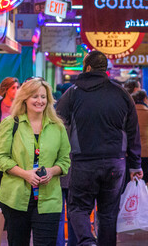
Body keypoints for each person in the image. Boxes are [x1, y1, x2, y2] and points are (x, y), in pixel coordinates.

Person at [57, 51, 143, 246]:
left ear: (87, 67)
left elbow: (57, 124)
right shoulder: (121, 94)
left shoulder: (73, 93)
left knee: (78, 208)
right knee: (108, 213)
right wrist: (135, 165)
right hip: (115, 163)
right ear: (105, 69)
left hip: (83, 162)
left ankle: (87, 242)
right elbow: (132, 132)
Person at [0, 78, 71, 246]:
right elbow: (0, 157)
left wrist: (52, 171)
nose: (40, 101)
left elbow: (65, 159)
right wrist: (25, 174)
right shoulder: (10, 124)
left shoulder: (58, 127)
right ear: (25, 98)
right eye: (34, 96)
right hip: (15, 198)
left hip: (49, 199)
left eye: (43, 97)